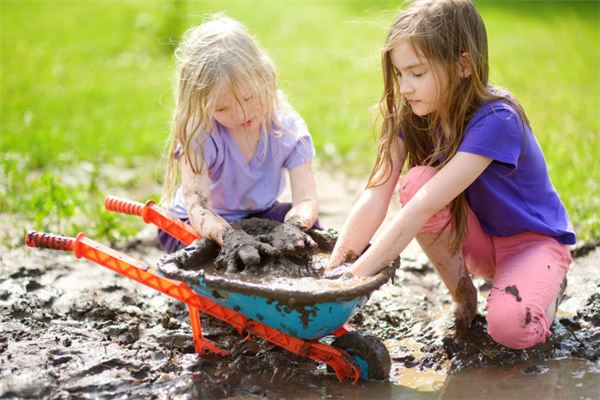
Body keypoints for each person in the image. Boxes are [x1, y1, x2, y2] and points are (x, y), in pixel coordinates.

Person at [327, 0, 575, 350]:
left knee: (509, 329)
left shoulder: (497, 119)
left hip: (531, 244)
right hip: (478, 239)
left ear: (462, 66)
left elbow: (423, 209)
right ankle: (464, 295)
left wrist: (355, 277)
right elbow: (375, 194)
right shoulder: (412, 115)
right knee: (415, 182)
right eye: (400, 75)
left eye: (417, 73)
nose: (406, 87)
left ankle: (546, 290)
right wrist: (333, 273)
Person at [159, 14, 319, 271]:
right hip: (200, 222)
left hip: (259, 215)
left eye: (248, 98)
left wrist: (294, 227)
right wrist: (230, 238)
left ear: (264, 77)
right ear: (202, 104)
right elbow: (197, 205)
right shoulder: (202, 133)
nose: (242, 115)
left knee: (307, 238)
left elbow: (306, 200)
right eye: (223, 108)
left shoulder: (287, 129)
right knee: (213, 257)